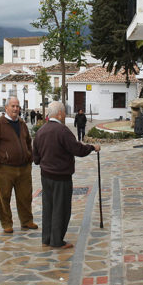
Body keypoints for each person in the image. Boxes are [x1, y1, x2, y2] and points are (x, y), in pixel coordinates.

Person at [33, 101, 100, 249]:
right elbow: (78, 149)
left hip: (46, 176)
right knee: (61, 208)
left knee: (48, 207)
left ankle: (47, 238)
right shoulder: (62, 131)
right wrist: (92, 147)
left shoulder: (40, 131)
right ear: (59, 114)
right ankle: (57, 241)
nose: (64, 115)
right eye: (63, 112)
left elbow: (36, 158)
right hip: (61, 176)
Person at [0, 97, 38, 234]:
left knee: (25, 196)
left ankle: (26, 221)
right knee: (4, 197)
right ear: (6, 108)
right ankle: (6, 223)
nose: (16, 109)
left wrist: (29, 157)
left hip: (24, 168)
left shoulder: (22, 123)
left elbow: (28, 141)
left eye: (17, 106)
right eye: (13, 106)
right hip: (5, 168)